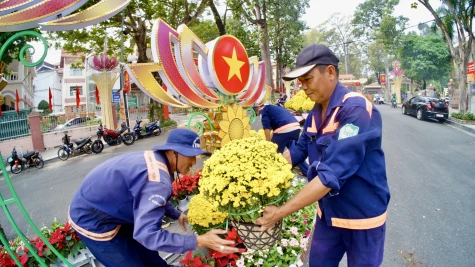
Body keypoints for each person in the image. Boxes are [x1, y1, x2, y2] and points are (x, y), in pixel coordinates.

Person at [256, 44, 390, 267]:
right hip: (329, 214)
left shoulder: (356, 110)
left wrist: (279, 213)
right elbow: (299, 150)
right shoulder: (316, 112)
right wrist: (265, 172)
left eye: (307, 79)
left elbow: (331, 175)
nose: (303, 88)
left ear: (330, 72)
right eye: (301, 82)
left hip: (362, 217)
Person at [68, 129, 240, 267]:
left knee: (149, 255)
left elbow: (148, 196)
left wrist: (176, 214)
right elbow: (148, 235)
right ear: (174, 153)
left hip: (112, 208)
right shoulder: (157, 179)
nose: (194, 162)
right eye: (191, 155)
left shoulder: (159, 161)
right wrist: (198, 240)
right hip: (92, 219)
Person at [256, 103, 309, 175]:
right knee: (295, 152)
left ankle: (273, 173)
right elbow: (275, 128)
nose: (258, 115)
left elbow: (267, 127)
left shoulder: (263, 111)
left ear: (257, 110)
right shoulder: (273, 107)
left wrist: (268, 142)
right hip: (295, 127)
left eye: (257, 114)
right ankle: (307, 172)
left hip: (284, 129)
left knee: (273, 151)